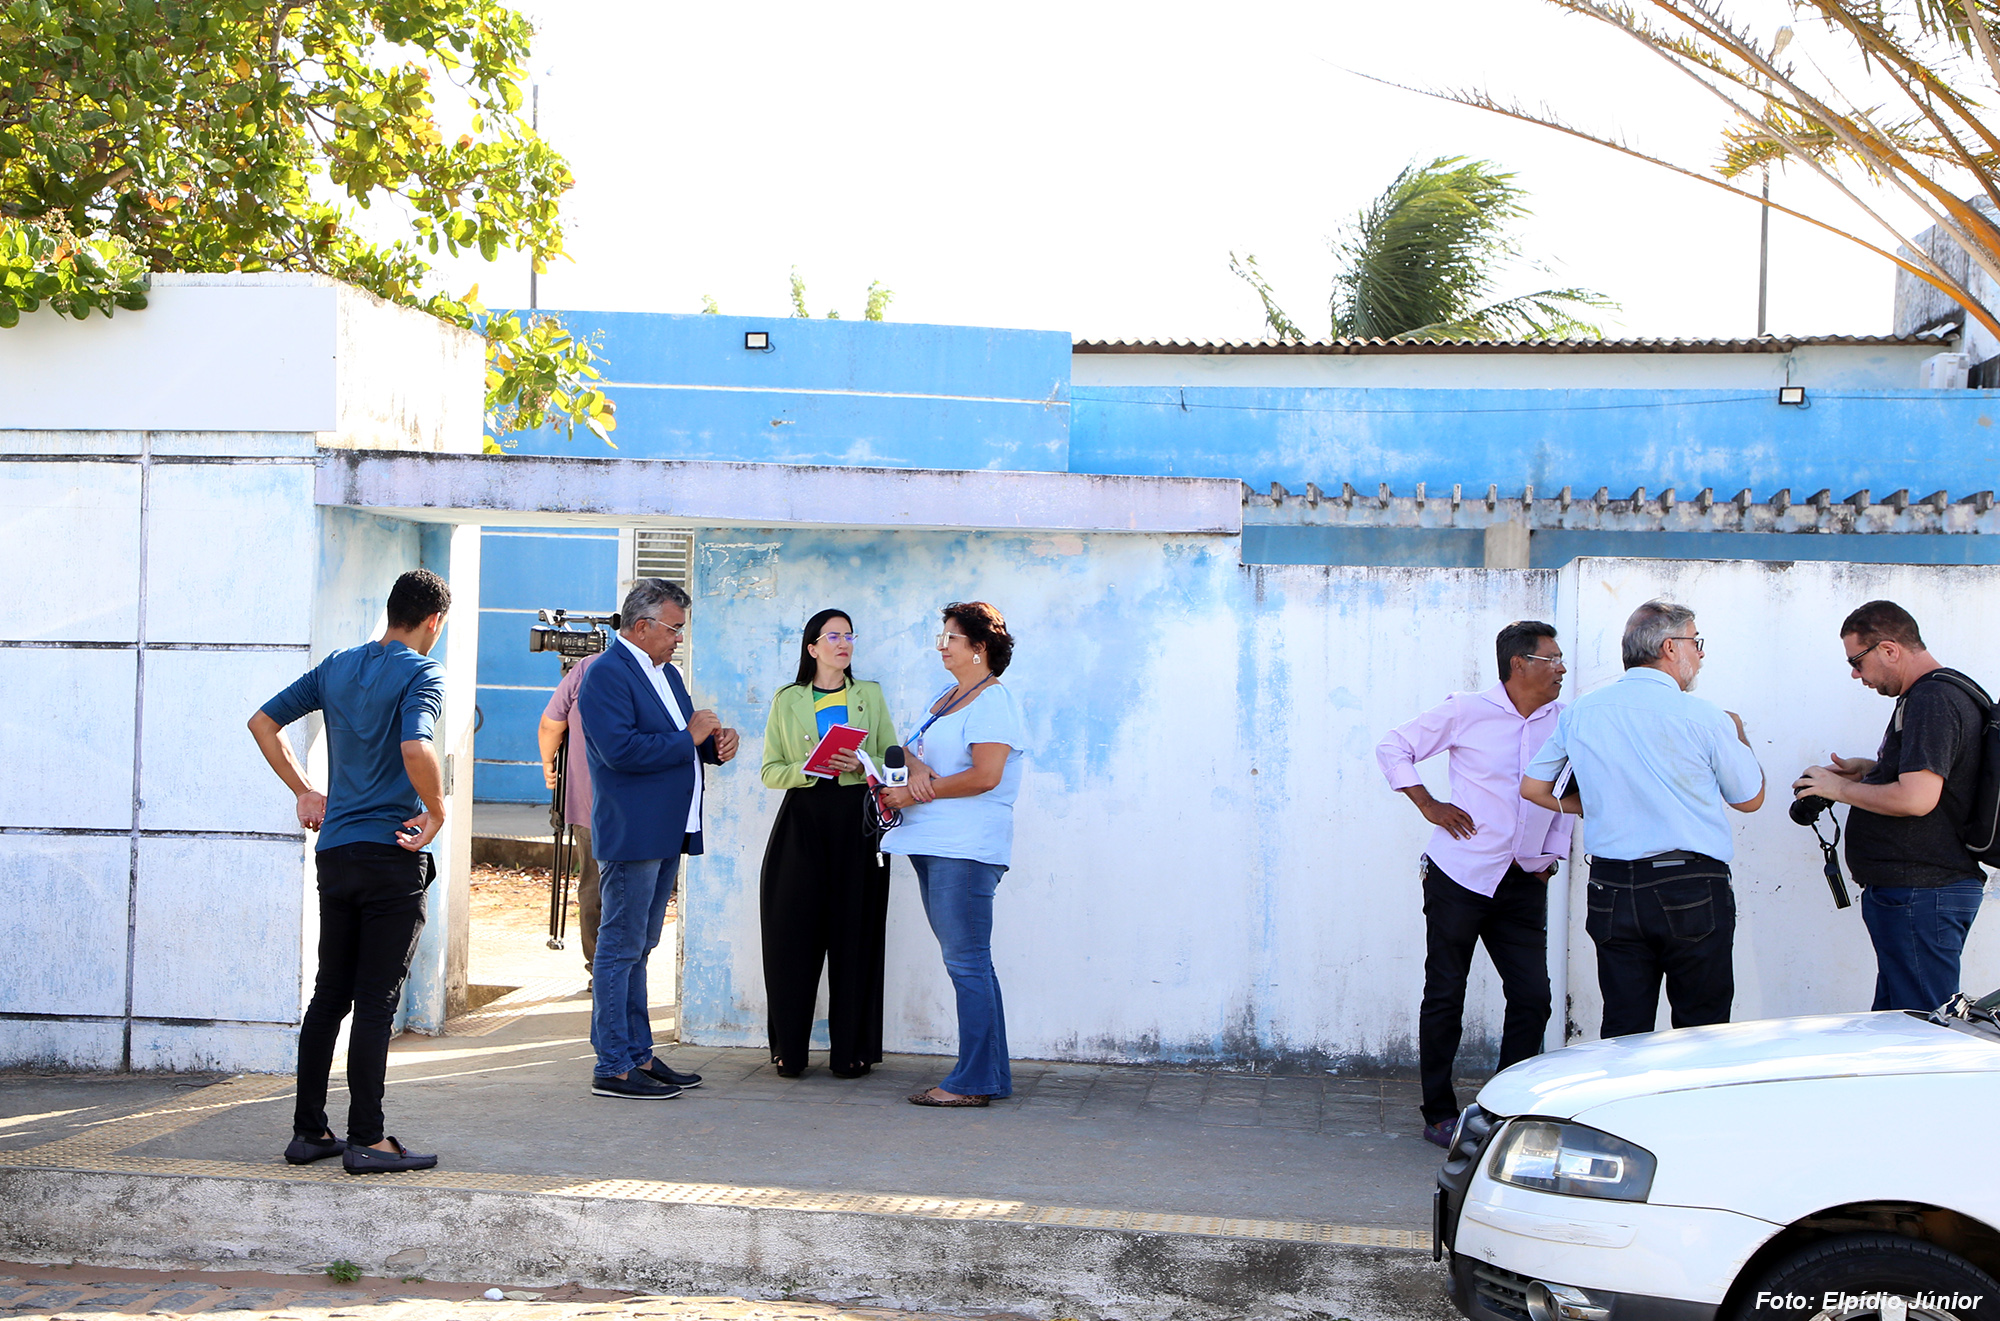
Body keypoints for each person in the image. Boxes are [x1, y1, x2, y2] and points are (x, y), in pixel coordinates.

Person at [246, 568, 452, 1174]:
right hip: (391, 855)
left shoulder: (337, 666)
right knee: (376, 1001)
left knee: (330, 994)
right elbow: (415, 746)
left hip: (336, 853)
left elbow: (262, 722)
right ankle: (368, 1139)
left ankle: (309, 1132)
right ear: (433, 620)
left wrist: (305, 791)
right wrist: (437, 812)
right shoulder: (423, 672)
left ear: (392, 611)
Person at [1522, 600, 1765, 1038]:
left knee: (1624, 1028)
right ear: (1670, 647)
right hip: (1690, 885)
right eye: (1695, 642)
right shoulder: (1707, 717)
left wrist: (1593, 805)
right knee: (1702, 1029)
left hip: (1612, 886)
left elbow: (1534, 788)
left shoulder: (1582, 711)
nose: (1701, 654)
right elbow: (1749, 799)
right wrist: (1739, 731)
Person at [1376, 621, 1572, 1149]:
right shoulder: (1466, 710)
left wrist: (1551, 854)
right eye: (1552, 659)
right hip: (1459, 875)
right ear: (1519, 664)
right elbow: (1393, 746)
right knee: (1446, 993)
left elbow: (1570, 791)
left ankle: (1504, 1112)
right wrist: (1429, 804)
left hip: (1523, 879)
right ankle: (1439, 1113)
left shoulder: (1566, 721)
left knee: (1533, 997)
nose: (1561, 668)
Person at [578, 578, 740, 1100]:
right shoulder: (606, 673)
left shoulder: (665, 673)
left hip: (666, 828)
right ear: (643, 626)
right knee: (619, 948)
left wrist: (714, 746)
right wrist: (690, 737)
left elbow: (680, 741)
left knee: (640, 947)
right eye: (674, 629)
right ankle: (613, 1065)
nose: (678, 639)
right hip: (633, 831)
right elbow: (620, 751)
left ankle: (638, 1055)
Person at [1793, 600, 1988, 1011]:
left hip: (1922, 891)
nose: (1855, 674)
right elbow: (1938, 782)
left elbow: (1916, 798)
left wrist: (1837, 789)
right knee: (1895, 1027)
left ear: (1889, 649)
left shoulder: (1932, 698)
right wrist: (1871, 771)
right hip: (1920, 892)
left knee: (1921, 1029)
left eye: (1857, 662)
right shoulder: (1942, 692)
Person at [879, 602, 1026, 1108]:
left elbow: (986, 775)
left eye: (951, 638)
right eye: (940, 637)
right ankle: (988, 1076)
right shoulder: (945, 698)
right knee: (969, 962)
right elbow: (909, 748)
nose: (941, 646)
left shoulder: (992, 702)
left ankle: (972, 1082)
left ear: (980, 647)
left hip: (964, 849)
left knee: (967, 963)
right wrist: (915, 770)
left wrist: (917, 791)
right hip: (933, 844)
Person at [757, 609, 901, 1078]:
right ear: (813, 647)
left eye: (849, 636)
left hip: (856, 821)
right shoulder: (788, 699)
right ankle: (789, 1049)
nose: (844, 643)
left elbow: (891, 758)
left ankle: (852, 1051)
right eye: (833, 636)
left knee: (854, 934)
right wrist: (810, 768)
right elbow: (770, 770)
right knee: (791, 933)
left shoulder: (869, 694)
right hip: (802, 821)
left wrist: (863, 764)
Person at [539, 650, 602, 980]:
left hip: (588, 804)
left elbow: (550, 725)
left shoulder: (585, 669)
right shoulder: (659, 672)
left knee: (593, 886)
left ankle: (599, 969)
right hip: (640, 808)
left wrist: (548, 763)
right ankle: (625, 968)